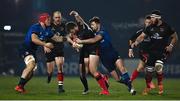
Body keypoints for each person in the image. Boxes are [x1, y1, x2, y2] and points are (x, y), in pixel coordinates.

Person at [76, 16, 136, 95]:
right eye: (91, 25)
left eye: (93, 24)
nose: (92, 26)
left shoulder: (102, 31)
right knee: (117, 79)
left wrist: (81, 41)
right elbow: (84, 24)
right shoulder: (92, 33)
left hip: (113, 54)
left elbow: (94, 40)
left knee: (122, 68)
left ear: (98, 24)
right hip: (105, 59)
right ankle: (128, 84)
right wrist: (77, 15)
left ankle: (131, 88)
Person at [131, 10, 178, 95]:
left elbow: (175, 37)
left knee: (158, 66)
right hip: (151, 52)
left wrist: (171, 45)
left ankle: (160, 84)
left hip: (162, 51)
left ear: (158, 18)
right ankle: (148, 87)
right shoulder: (150, 27)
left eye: (153, 17)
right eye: (151, 17)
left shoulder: (167, 27)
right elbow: (142, 36)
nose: (151, 19)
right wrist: (136, 42)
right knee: (149, 71)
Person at [65, 11, 109, 95]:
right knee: (87, 71)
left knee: (92, 70)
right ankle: (102, 78)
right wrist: (75, 45)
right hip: (85, 50)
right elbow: (68, 38)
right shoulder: (75, 33)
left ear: (75, 27)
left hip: (93, 48)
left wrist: (76, 14)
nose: (72, 33)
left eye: (72, 31)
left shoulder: (82, 27)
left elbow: (80, 20)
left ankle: (105, 90)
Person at [15, 13, 54, 93]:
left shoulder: (47, 29)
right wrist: (45, 44)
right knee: (31, 64)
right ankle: (19, 86)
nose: (50, 20)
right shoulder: (36, 27)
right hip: (25, 48)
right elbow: (34, 39)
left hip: (33, 51)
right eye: (48, 19)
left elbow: (56, 38)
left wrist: (68, 39)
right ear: (43, 20)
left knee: (32, 73)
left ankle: (21, 86)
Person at [128, 15, 155, 89]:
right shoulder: (141, 31)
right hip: (143, 52)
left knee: (140, 68)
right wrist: (130, 49)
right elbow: (131, 39)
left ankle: (130, 81)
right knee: (149, 65)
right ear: (145, 23)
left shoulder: (155, 32)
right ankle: (149, 83)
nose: (148, 24)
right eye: (146, 22)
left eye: (149, 22)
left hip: (152, 52)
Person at [44, 11, 66, 93]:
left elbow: (66, 37)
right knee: (50, 70)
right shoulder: (49, 26)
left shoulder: (64, 26)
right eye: (56, 17)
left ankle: (60, 87)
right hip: (50, 48)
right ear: (53, 18)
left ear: (61, 17)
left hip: (59, 48)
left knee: (60, 66)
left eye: (59, 17)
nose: (57, 19)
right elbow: (43, 36)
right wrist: (44, 45)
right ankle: (49, 75)